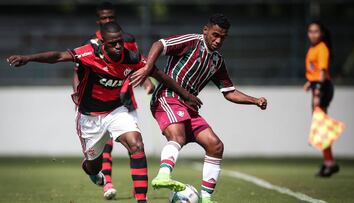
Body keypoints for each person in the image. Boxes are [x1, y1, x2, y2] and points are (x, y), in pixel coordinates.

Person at [7, 22, 202, 203]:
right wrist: (28, 58)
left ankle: (141, 199)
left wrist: (186, 95)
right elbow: (58, 56)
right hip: (89, 117)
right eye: (113, 43)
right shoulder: (89, 54)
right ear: (103, 44)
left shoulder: (132, 57)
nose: (118, 46)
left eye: (120, 42)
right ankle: (93, 172)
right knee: (94, 166)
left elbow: (159, 75)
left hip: (116, 111)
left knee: (136, 145)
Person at [130, 14, 267, 203]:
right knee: (178, 136)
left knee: (215, 145)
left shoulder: (217, 61)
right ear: (206, 30)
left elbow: (229, 92)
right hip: (167, 98)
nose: (218, 40)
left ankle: (206, 198)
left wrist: (255, 100)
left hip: (189, 106)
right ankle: (163, 176)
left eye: (222, 37)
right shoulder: (191, 42)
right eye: (215, 35)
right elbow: (159, 44)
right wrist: (147, 69)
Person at [71, 2, 155, 199]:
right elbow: (77, 72)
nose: (108, 21)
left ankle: (139, 191)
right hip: (97, 107)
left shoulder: (127, 40)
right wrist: (77, 94)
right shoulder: (90, 45)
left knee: (134, 144)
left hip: (124, 102)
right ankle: (106, 182)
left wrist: (147, 82)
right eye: (104, 18)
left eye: (111, 18)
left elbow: (137, 64)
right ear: (98, 20)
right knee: (105, 147)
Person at [303, 21, 339, 177]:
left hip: (322, 88)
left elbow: (322, 73)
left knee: (321, 127)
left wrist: (317, 93)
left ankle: (329, 163)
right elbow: (315, 71)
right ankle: (328, 162)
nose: (313, 34)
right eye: (310, 31)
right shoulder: (313, 48)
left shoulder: (322, 48)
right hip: (317, 86)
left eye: (316, 31)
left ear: (322, 33)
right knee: (321, 126)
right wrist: (309, 82)